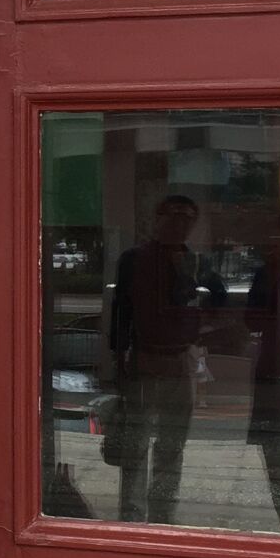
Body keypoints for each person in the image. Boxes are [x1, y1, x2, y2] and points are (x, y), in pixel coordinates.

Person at [109, 193, 228, 526]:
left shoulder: (195, 262)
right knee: (136, 442)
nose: (179, 223)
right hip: (144, 356)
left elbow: (218, 296)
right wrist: (119, 357)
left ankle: (162, 512)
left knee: (173, 442)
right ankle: (132, 515)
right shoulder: (134, 259)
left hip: (180, 357)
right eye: (173, 215)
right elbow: (121, 310)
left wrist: (199, 326)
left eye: (187, 218)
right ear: (158, 218)